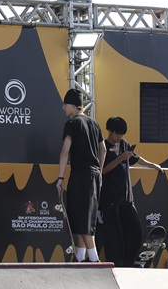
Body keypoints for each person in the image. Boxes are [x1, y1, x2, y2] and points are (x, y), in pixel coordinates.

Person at [100, 116, 164, 267]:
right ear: (109, 131)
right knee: (114, 235)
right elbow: (103, 170)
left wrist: (152, 164)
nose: (119, 137)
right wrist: (120, 159)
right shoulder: (102, 146)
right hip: (110, 198)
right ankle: (116, 264)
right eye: (117, 134)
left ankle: (129, 262)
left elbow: (135, 158)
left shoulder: (124, 144)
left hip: (126, 198)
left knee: (135, 230)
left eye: (121, 134)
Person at [57, 88, 106, 262]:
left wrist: (60, 178)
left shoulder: (72, 124)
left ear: (73, 105)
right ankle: (79, 257)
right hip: (94, 175)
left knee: (82, 217)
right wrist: (99, 171)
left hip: (80, 175)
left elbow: (65, 152)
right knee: (83, 215)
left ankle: (94, 260)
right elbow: (103, 149)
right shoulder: (94, 124)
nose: (63, 108)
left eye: (65, 104)